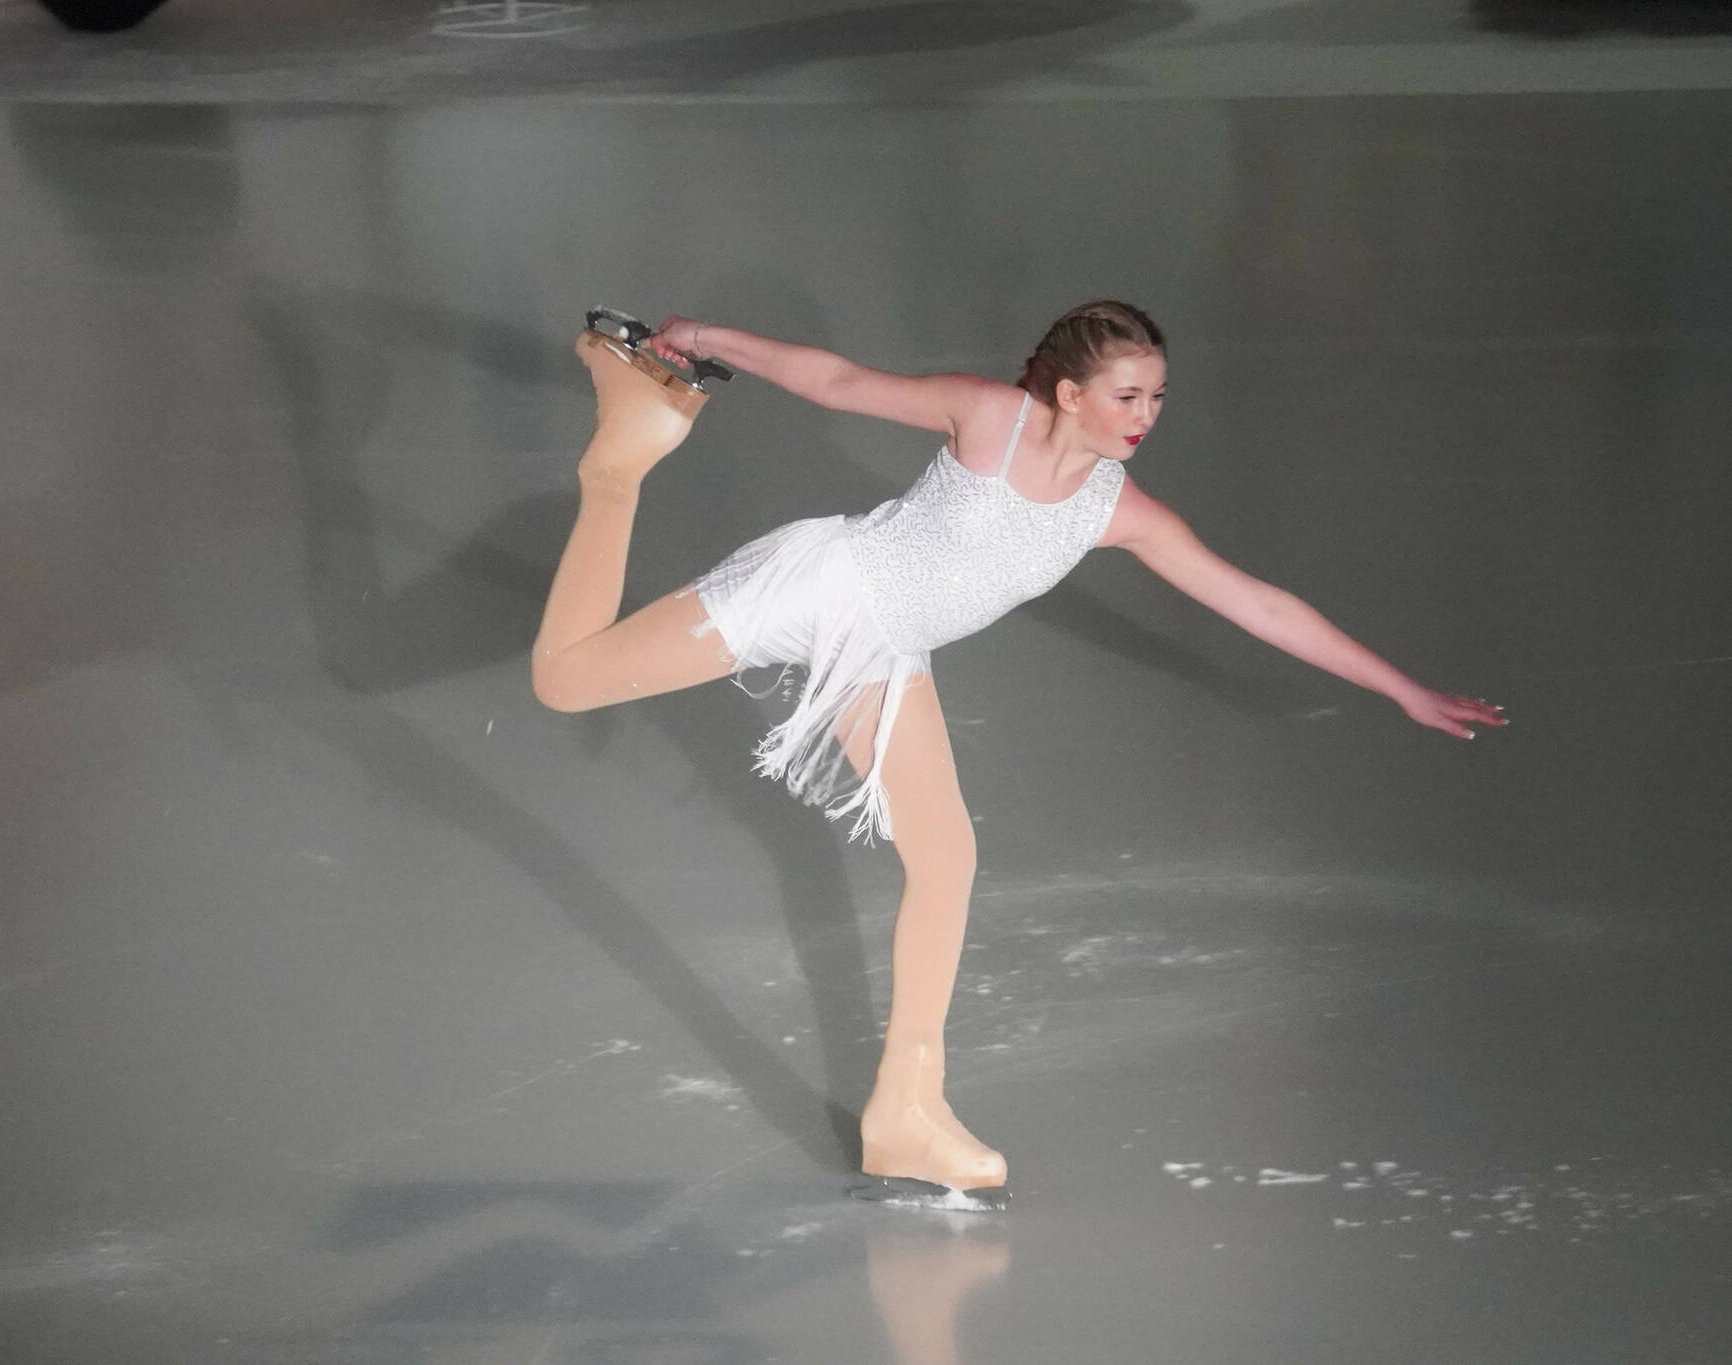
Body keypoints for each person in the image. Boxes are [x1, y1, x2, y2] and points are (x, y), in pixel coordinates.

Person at [531, 301, 1507, 1203]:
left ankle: (904, 1114)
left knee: (945, 856)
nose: (1145, 415)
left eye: (1157, 397)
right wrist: (709, 336)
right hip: (818, 591)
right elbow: (836, 383)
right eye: (1128, 395)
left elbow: (1256, 602)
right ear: (1069, 393)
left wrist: (1401, 688)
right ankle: (621, 456)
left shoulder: (1117, 512)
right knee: (565, 680)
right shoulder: (987, 420)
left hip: (880, 649)